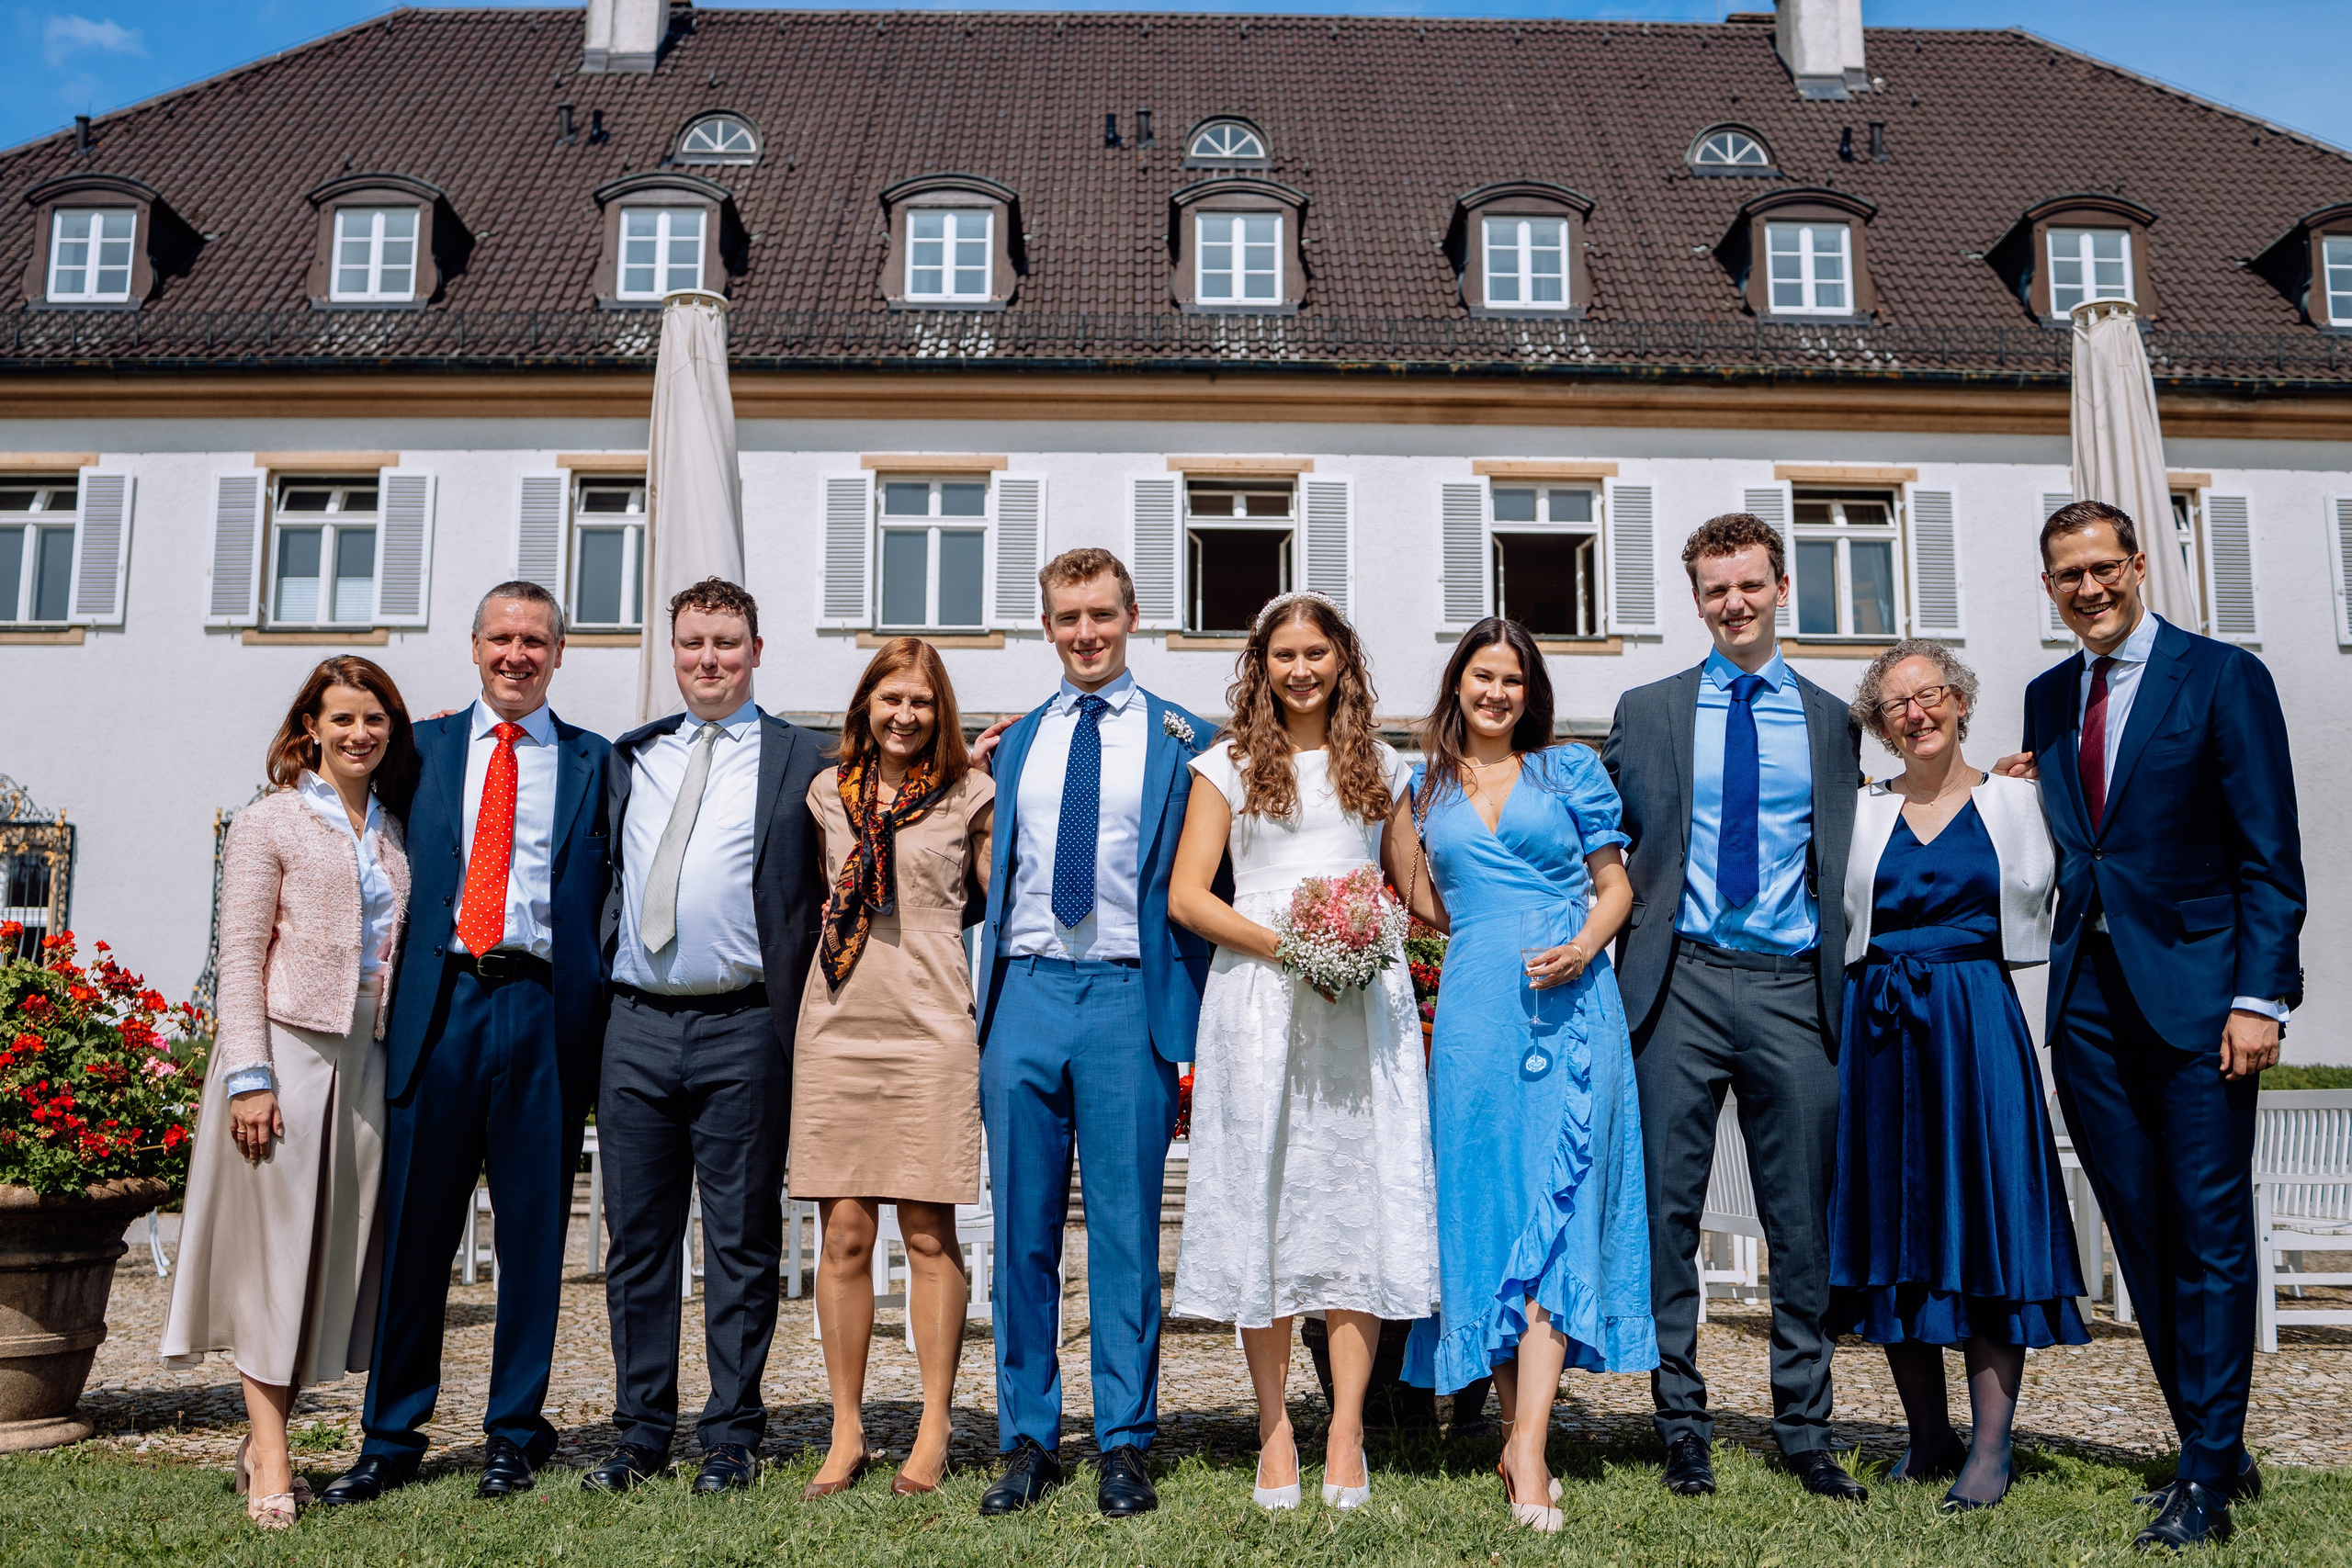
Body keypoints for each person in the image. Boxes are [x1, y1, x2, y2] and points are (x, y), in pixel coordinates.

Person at [1995, 500, 2303, 1551]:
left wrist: (2259, 997)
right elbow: (2078, 840)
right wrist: (2011, 794)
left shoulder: (2222, 679)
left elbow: (2269, 853)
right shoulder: (2046, 699)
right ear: (2049, 589)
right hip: (2084, 1009)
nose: (2087, 588)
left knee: (2210, 1240)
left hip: (2201, 1005)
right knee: (2140, 1238)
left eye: (2101, 568)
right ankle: (2211, 1446)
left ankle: (2207, 1482)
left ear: (2136, 565)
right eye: (2065, 575)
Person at [321, 581, 612, 1506]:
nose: (517, 655)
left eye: (535, 641)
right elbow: (342, 816)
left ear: (558, 654)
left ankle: (513, 1433)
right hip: (439, 1003)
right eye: (502, 639)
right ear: (475, 646)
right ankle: (391, 1433)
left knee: (534, 1237)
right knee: (414, 1230)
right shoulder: (421, 749)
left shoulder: (597, 762)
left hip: (542, 1007)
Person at [1601, 514, 1867, 1503]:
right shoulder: (1650, 707)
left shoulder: (1834, 720)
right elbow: (1597, 841)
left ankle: (1804, 1427)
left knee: (1800, 1220)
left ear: (1780, 587)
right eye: (1715, 590)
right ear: (1697, 597)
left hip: (1793, 986)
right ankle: (1682, 1424)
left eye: (1749, 586)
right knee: (1665, 1215)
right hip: (1677, 984)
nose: (1733, 604)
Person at [1167, 592, 1439, 1514]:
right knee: (1269, 1208)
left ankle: (1349, 1427)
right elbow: (1190, 898)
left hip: (1365, 1008)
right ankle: (1276, 1427)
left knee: (1356, 1208)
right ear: (1260, 664)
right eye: (1283, 653)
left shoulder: (1386, 767)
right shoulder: (1226, 764)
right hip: (1261, 1001)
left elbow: (1419, 896)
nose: (1300, 668)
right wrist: (1296, 948)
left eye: (1316, 651)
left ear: (1342, 661)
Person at [968, 547, 1214, 1520]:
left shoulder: (1183, 739)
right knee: (1021, 1234)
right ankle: (1027, 1437)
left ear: (1132, 615)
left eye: (1102, 615)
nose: (1086, 633)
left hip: (1125, 996)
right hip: (1023, 990)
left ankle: (1124, 1442)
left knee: (1122, 1236)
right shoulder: (1015, 741)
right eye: (1068, 617)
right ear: (1047, 624)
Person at [1397, 616, 1655, 1534]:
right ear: (1456, 686)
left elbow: (1614, 884)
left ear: (1529, 690)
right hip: (1473, 1016)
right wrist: (1480, 932)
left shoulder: (1569, 770)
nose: (1495, 692)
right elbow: (1418, 901)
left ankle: (1529, 1448)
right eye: (1481, 676)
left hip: (1572, 1008)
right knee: (1492, 1215)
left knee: (1561, 1219)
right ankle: (1516, 1433)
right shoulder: (1421, 786)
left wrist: (1583, 945)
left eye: (1511, 678)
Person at [580, 580, 827, 1497]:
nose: (708, 660)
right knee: (636, 1240)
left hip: (745, 1025)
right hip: (636, 1023)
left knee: (739, 1237)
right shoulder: (630, 758)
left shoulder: (803, 759)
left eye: (726, 643)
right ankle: (639, 1433)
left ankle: (731, 1433)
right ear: (673, 651)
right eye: (692, 645)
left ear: (756, 649)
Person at [161, 658, 419, 1529]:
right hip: (282, 1055)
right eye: (343, 718)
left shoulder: (390, 829)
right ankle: (271, 1457)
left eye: (375, 719)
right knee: (273, 1262)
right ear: (310, 724)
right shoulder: (271, 820)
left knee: (324, 1265)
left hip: (365, 1062)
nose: (359, 734)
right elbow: (237, 957)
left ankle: (260, 1439)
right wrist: (250, 1077)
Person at [1828, 640, 2085, 1514]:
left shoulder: (2022, 800)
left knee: (1982, 1218)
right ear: (1880, 721)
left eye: (1931, 693)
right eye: (1896, 703)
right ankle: (1926, 1434)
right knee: (1895, 1223)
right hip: (1881, 1026)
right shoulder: (1860, 811)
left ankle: (1989, 1445)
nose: (1917, 711)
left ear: (1961, 702)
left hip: (1977, 1020)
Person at [792, 636, 995, 1500]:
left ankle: (934, 1421)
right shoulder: (823, 793)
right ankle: (846, 1429)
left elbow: (1000, 888)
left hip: (930, 1024)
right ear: (865, 706)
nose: (905, 715)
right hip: (838, 1019)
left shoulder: (972, 793)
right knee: (843, 1231)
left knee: (926, 1232)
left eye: (920, 701)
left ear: (938, 710)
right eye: (890, 699)